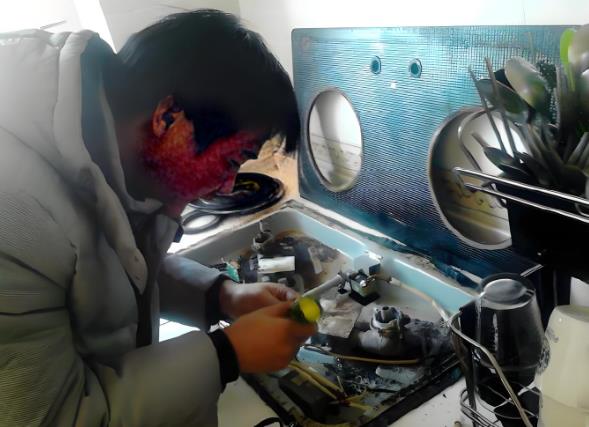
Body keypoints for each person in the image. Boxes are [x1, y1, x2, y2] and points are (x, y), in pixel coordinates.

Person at [0, 9, 315, 427]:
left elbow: (110, 268)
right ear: (169, 118)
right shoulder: (13, 215)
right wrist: (226, 354)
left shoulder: (99, 142)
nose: (227, 187)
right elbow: (51, 418)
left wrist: (222, 297)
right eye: (232, 161)